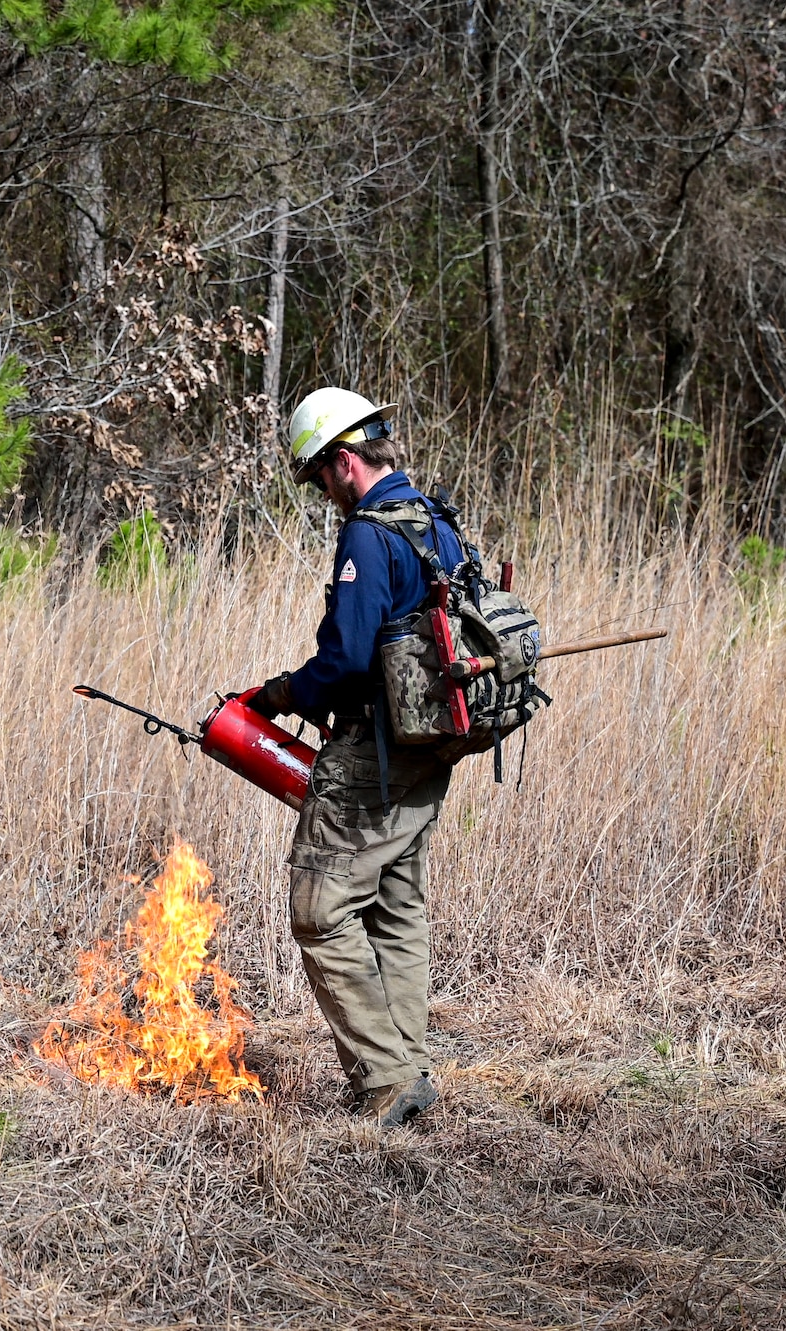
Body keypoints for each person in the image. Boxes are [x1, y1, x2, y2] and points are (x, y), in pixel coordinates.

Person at [246, 387, 463, 1128]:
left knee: (318, 904)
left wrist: (277, 693)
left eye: (319, 478)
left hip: (374, 746)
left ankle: (384, 1076)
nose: (323, 494)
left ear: (344, 460)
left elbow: (342, 663)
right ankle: (408, 1067)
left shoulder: (369, 535)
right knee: (397, 906)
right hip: (431, 746)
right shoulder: (435, 520)